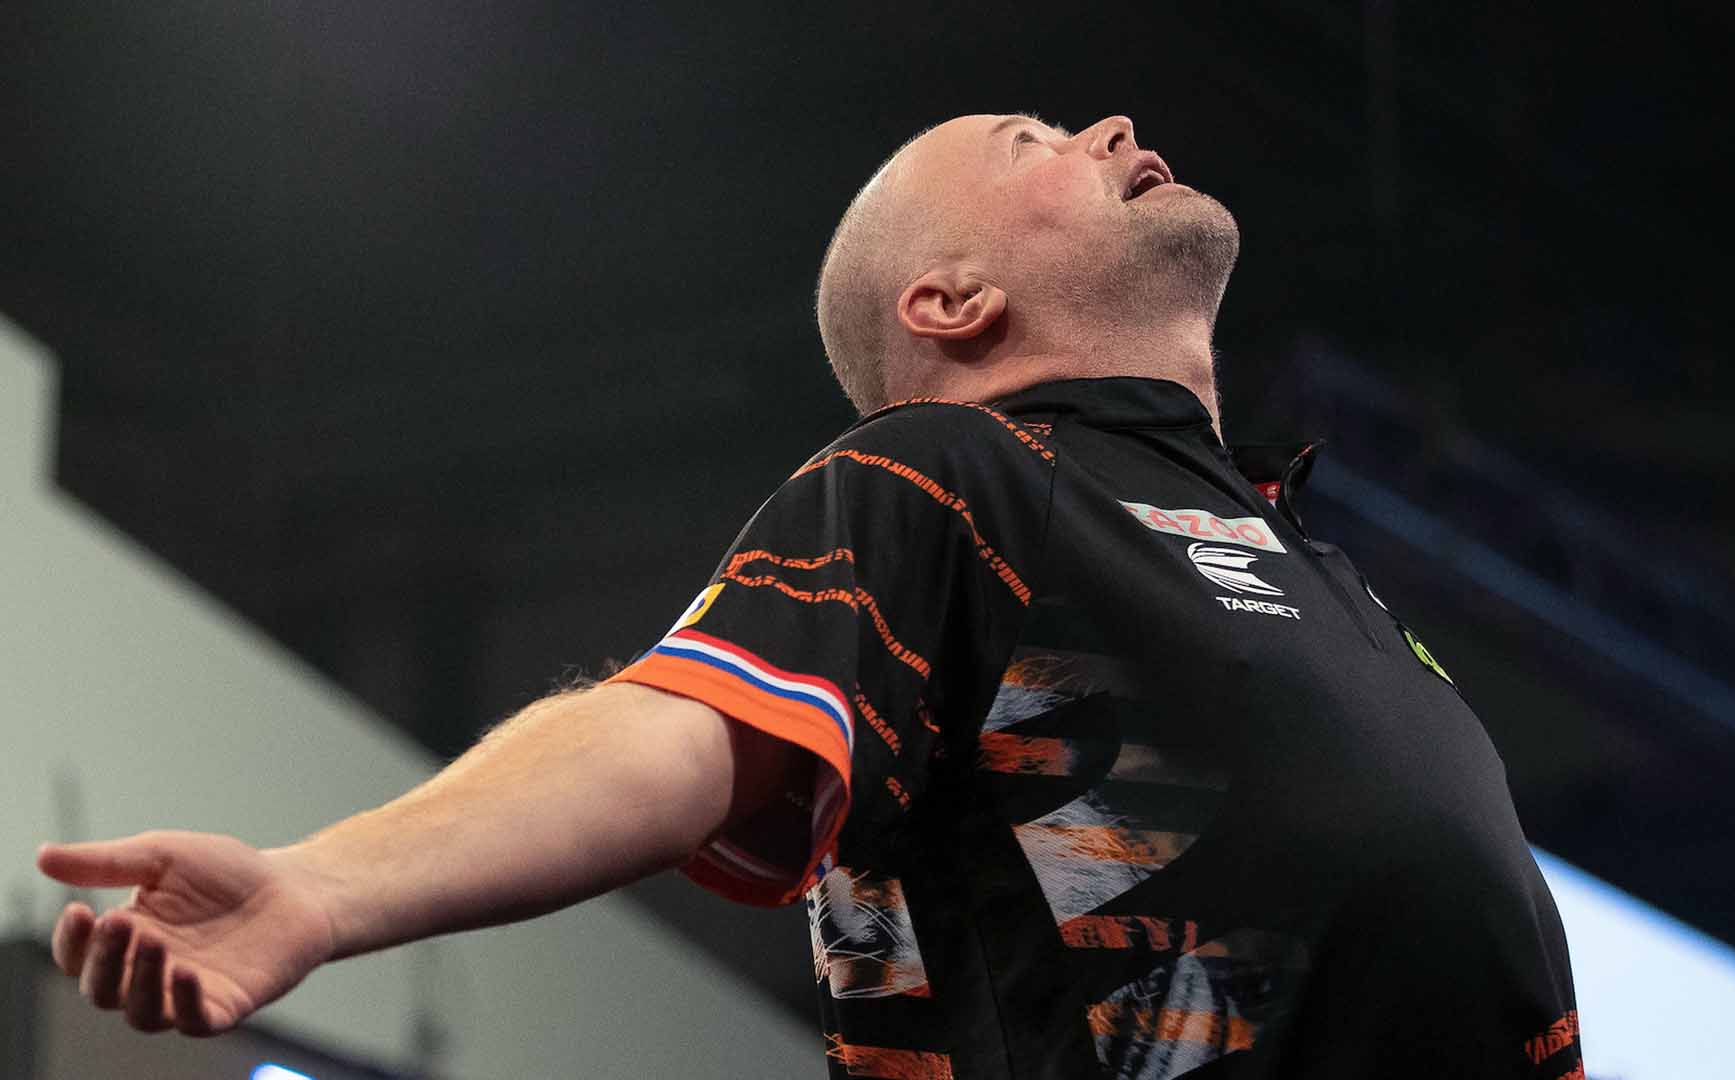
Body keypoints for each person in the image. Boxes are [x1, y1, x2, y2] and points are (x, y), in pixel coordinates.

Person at [36, 113, 1582, 1078]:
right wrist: (323, 889)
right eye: (1034, 143)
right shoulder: (951, 479)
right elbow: (671, 728)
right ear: (952, 300)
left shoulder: (1321, 568)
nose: (1113, 127)